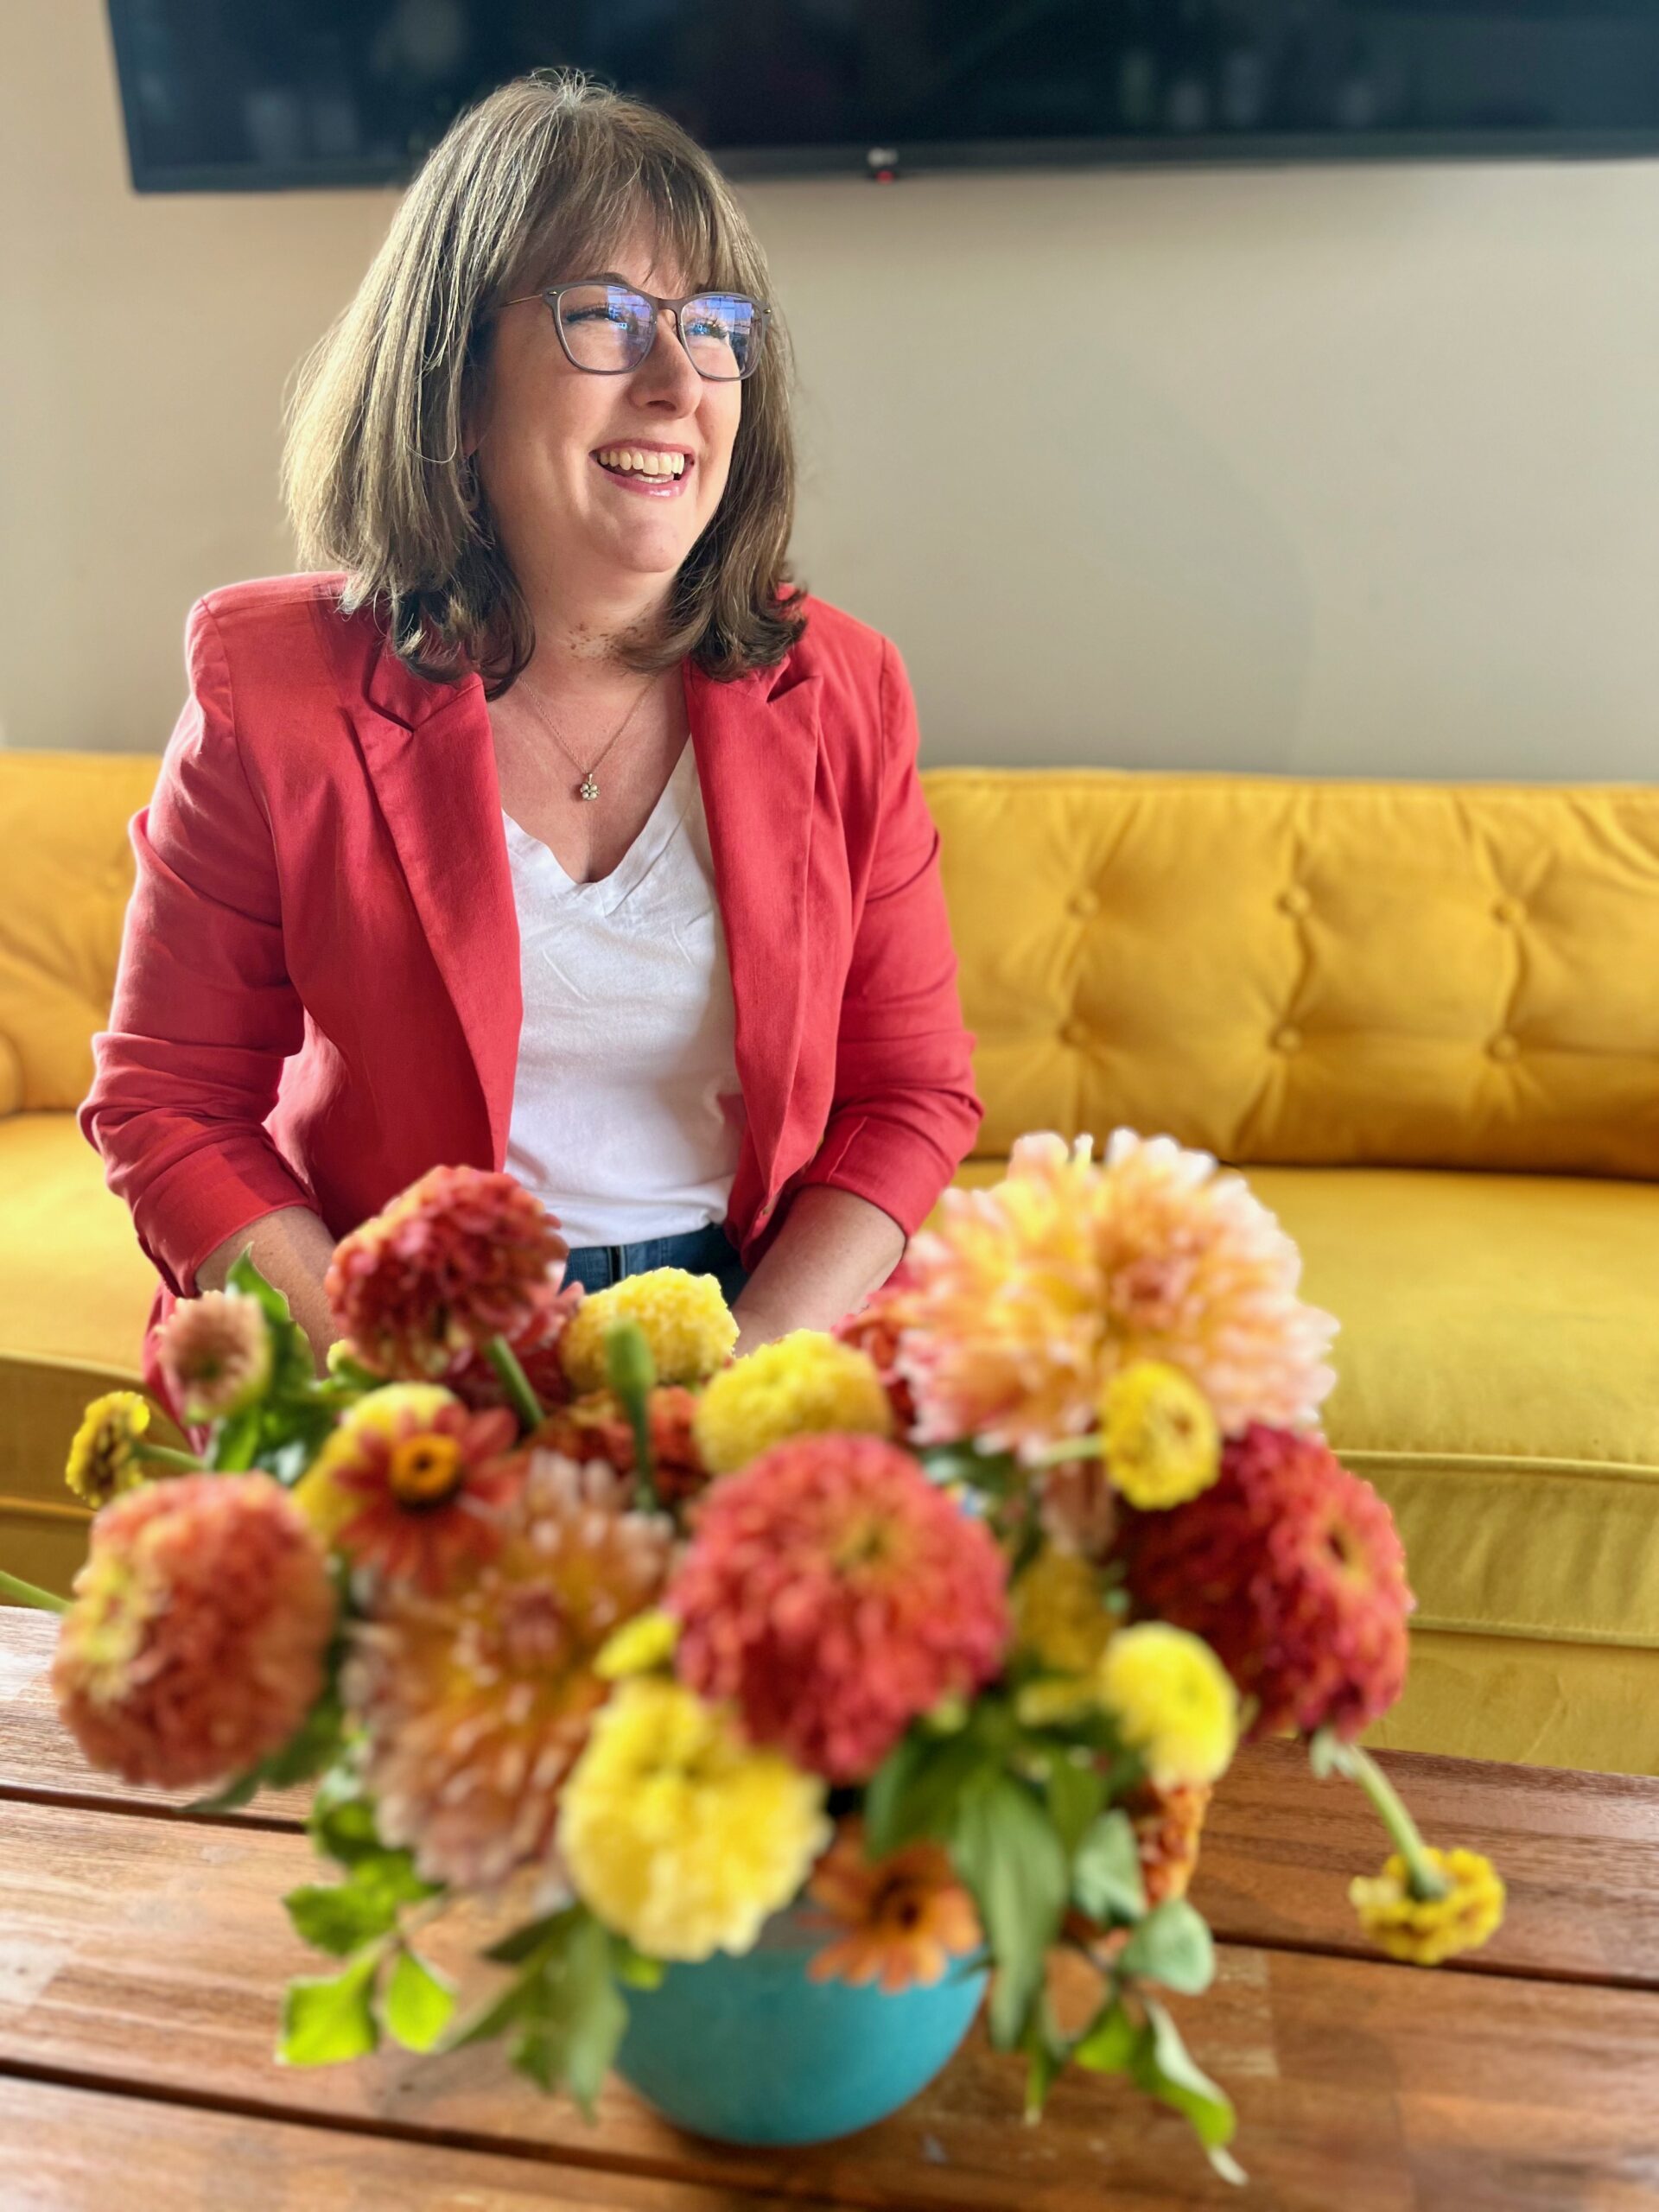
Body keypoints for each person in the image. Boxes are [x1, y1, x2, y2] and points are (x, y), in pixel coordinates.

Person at [80, 69, 981, 1415]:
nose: (681, 381)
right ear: (455, 384)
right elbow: (171, 1106)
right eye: (608, 320)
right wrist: (382, 1374)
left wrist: (744, 1376)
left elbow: (910, 1096)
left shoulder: (841, 685)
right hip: (389, 1345)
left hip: (752, 1327)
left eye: (714, 325)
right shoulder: (273, 690)